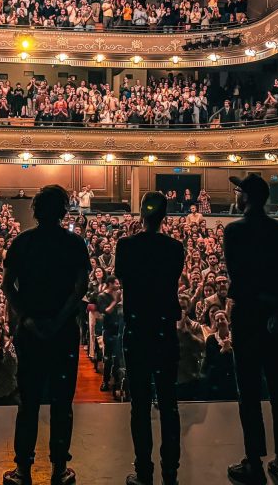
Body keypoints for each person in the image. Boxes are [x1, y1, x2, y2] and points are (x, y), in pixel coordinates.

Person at [1, 185, 90, 485]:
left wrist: (27, 319)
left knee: (28, 402)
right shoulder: (74, 244)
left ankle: (23, 470)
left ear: (36, 211)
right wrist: (59, 320)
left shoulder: (22, 242)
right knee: (62, 403)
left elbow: (7, 286)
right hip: (63, 333)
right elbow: (80, 289)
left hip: (30, 333)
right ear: (64, 211)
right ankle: (59, 469)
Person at [224, 174, 278, 485]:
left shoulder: (234, 231)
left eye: (238, 191)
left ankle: (254, 462)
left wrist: (261, 304)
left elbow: (239, 279)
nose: (236, 195)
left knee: (249, 393)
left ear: (246, 197)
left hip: (247, 319)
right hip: (277, 320)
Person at [114, 191, 185, 485]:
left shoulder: (126, 245)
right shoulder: (175, 248)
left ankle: (144, 471)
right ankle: (171, 472)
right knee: (168, 402)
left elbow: (122, 277)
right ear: (164, 215)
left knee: (140, 404)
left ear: (142, 214)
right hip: (164, 327)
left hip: (137, 327)